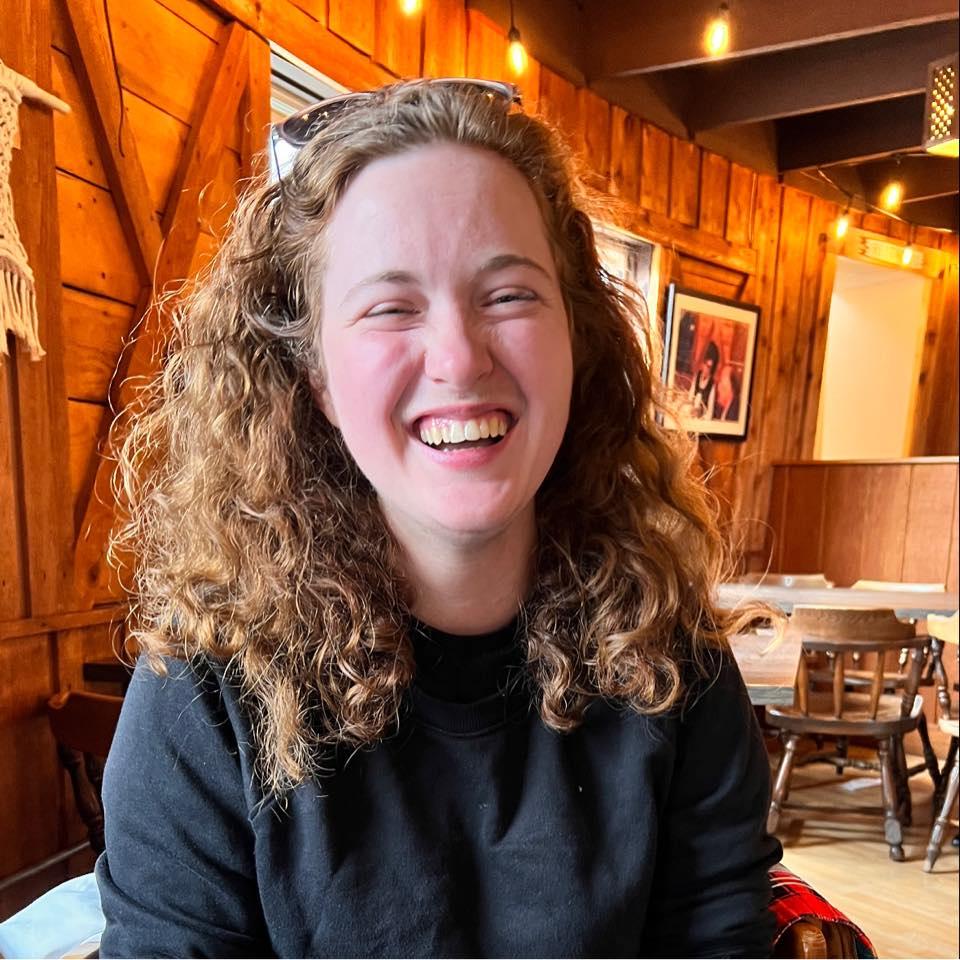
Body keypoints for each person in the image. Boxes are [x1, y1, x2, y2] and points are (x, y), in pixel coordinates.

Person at [97, 79, 781, 958]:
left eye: (509, 295)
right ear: (316, 379)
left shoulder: (672, 661)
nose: (459, 357)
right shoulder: (205, 694)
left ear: (576, 338)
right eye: (391, 308)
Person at [689, 339, 720, 420]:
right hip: (692, 417)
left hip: (703, 420)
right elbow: (690, 397)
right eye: (706, 365)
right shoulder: (697, 377)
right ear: (703, 363)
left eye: (709, 367)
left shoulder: (712, 385)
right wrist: (691, 409)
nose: (706, 369)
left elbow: (710, 413)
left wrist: (701, 417)